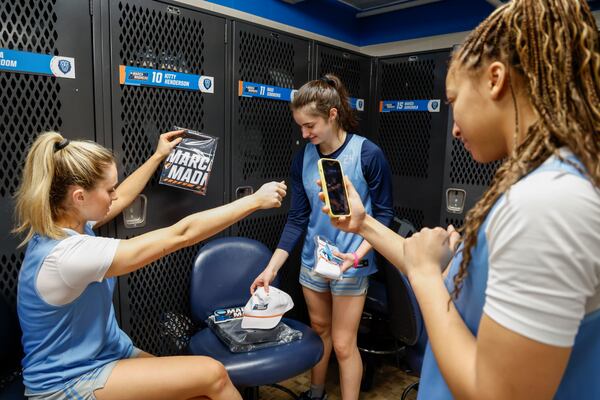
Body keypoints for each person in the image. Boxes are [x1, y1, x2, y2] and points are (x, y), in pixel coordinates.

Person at [322, 1, 600, 399]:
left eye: (454, 101)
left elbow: (497, 392)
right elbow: (432, 269)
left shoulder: (548, 203)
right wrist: (363, 224)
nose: (453, 128)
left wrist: (425, 278)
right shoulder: (545, 184)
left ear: (495, 80)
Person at [14, 130, 287, 400]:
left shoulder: (70, 223)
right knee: (213, 374)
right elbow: (181, 234)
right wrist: (254, 201)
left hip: (108, 353)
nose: (114, 196)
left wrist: (158, 156)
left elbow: (120, 199)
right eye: (109, 189)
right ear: (79, 197)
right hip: (69, 379)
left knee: (200, 393)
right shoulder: (68, 256)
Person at [250, 74, 394, 400]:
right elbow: (298, 218)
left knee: (344, 344)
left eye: (310, 125)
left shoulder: (367, 154)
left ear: (332, 114)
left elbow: (383, 216)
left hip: (352, 263)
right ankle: (316, 394)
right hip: (314, 261)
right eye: (300, 126)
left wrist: (357, 256)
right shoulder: (303, 157)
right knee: (320, 332)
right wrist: (271, 268)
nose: (305, 133)